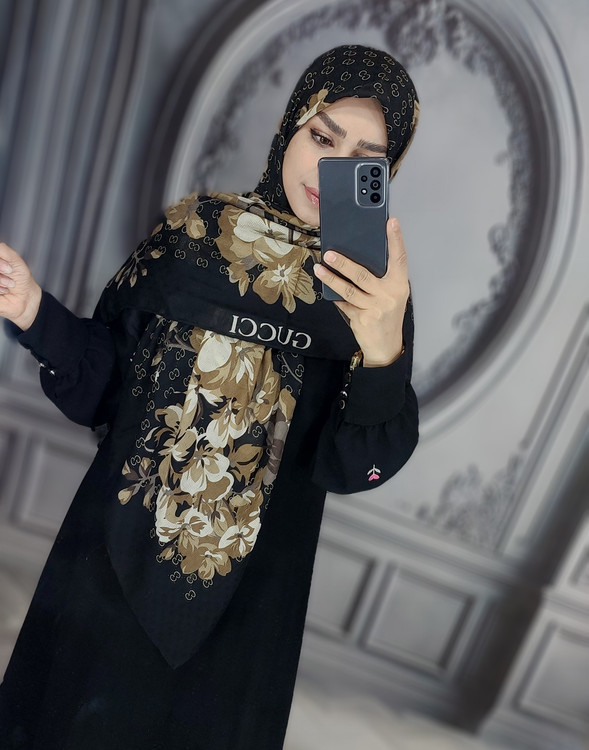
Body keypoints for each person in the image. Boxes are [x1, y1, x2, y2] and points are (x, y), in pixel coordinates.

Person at [0, 45, 419, 749]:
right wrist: (34, 311)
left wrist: (382, 351)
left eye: (363, 158)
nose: (331, 169)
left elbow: (355, 466)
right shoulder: (193, 235)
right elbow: (106, 390)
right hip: (106, 572)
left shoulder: (376, 297)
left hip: (246, 618)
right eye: (322, 138)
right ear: (291, 126)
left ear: (387, 173)